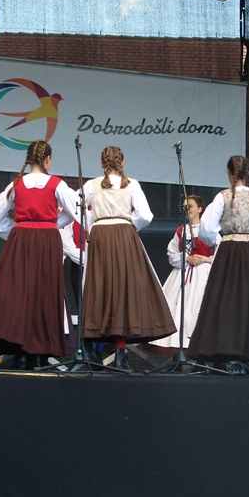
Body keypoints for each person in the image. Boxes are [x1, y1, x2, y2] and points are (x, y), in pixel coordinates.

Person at [0, 140, 79, 365]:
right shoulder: (57, 184)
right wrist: (53, 223)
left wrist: (16, 231)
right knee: (44, 292)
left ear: (29, 159)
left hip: (21, 240)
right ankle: (39, 351)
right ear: (48, 159)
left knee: (20, 291)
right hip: (47, 239)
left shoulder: (17, 184)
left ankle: (20, 349)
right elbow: (77, 211)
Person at [81, 145, 175, 371]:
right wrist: (127, 224)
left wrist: (93, 225)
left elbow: (78, 209)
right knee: (124, 291)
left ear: (102, 164)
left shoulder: (91, 185)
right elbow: (146, 215)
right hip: (124, 235)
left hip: (101, 236)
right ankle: (120, 354)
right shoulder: (131, 184)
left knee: (100, 288)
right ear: (122, 163)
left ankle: (91, 349)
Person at [188, 155, 249, 367]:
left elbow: (206, 230)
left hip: (231, 250)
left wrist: (218, 240)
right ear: (247, 173)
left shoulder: (223, 196)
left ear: (229, 173)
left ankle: (223, 351)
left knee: (226, 299)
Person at [148, 194, 213, 352]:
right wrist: (187, 258)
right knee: (177, 307)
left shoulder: (209, 230)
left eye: (190, 206)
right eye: (185, 207)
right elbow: (172, 254)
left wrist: (205, 259)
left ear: (200, 209)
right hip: (182, 273)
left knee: (196, 306)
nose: (187, 209)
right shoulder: (181, 231)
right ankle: (175, 347)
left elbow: (219, 252)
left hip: (202, 274)